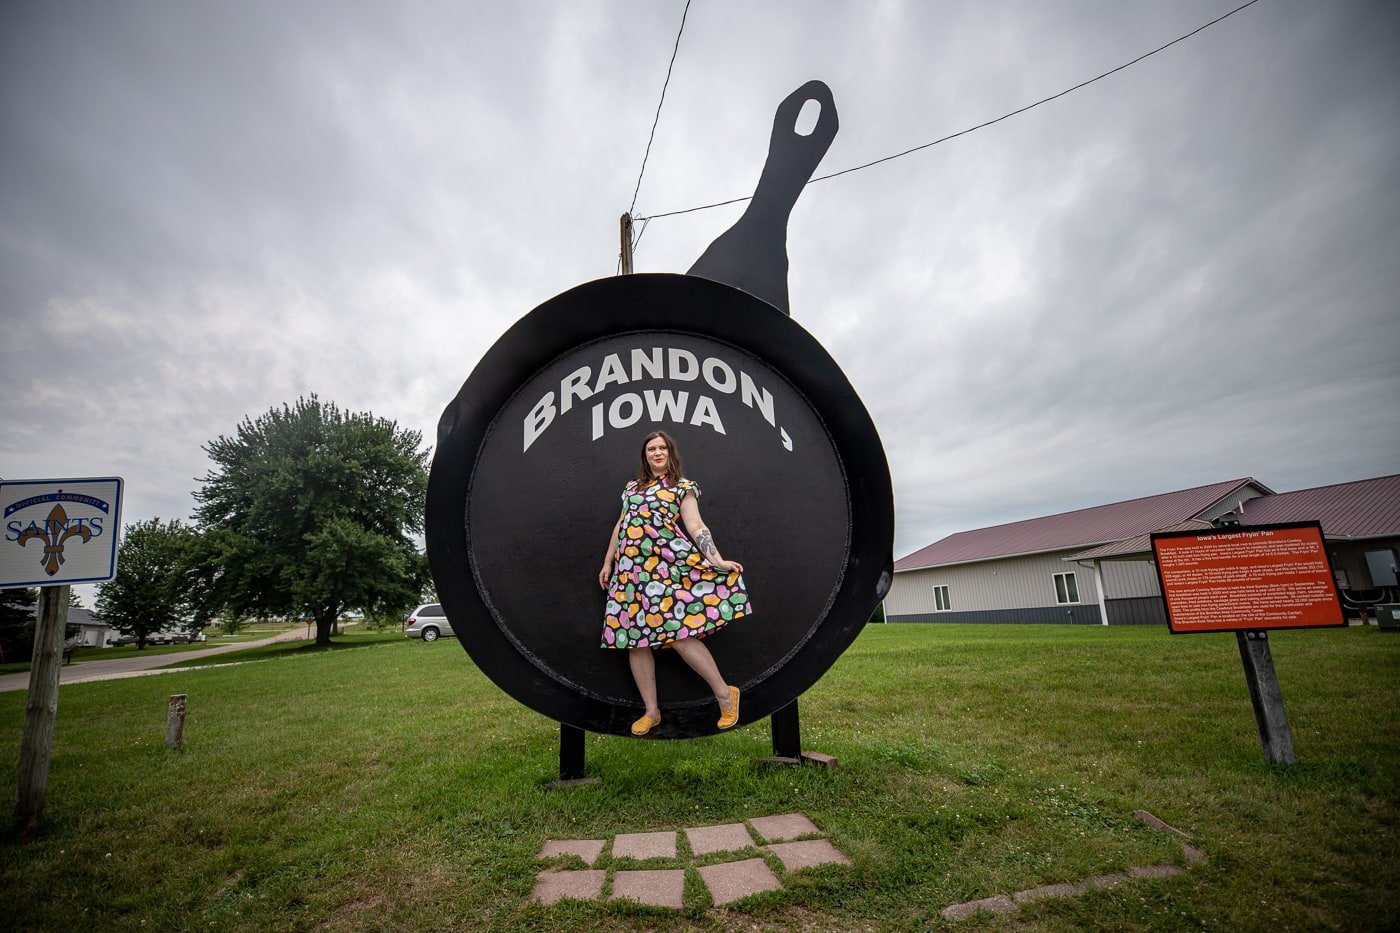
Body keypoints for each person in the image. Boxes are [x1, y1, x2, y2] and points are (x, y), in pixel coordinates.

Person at [598, 430, 752, 735]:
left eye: (662, 448)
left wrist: (718, 560)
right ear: (645, 455)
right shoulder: (631, 489)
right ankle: (651, 711)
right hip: (629, 573)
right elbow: (622, 523)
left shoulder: (682, 487)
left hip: (665, 570)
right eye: (651, 448)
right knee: (634, 641)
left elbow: (696, 525)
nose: (657, 453)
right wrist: (608, 561)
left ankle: (725, 695)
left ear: (671, 453)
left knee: (680, 635)